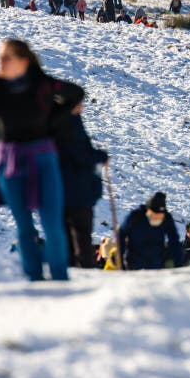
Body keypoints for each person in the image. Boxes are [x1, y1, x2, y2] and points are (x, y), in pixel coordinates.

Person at [0, 39, 84, 281]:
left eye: (7, 58)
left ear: (23, 61)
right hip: (10, 158)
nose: (1, 62)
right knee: (24, 226)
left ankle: (59, 278)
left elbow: (76, 93)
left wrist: (56, 119)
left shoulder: (42, 84)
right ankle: (34, 279)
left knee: (51, 222)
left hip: (42, 156)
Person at [55, 101, 108, 268]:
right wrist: (100, 156)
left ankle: (69, 268)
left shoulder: (57, 122)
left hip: (64, 190)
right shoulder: (71, 124)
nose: (82, 106)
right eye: (79, 102)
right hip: (78, 190)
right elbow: (80, 153)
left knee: (67, 234)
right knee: (81, 235)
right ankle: (83, 270)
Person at [118, 192, 184, 270]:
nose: (156, 218)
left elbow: (174, 241)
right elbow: (121, 235)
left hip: (156, 263)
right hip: (134, 263)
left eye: (159, 216)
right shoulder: (135, 216)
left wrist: (178, 264)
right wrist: (119, 259)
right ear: (148, 210)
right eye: (154, 215)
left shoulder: (166, 218)